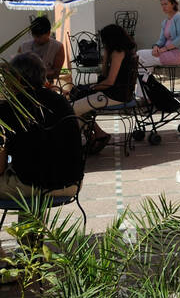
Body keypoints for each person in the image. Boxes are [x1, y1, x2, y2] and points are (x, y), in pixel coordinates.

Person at [0, 53, 83, 198]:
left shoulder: (10, 108)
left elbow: (0, 165)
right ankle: (30, 221)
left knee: (23, 177)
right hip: (71, 183)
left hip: (33, 185)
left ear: (17, 79)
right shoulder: (61, 101)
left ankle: (30, 220)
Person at [67, 24, 138, 154]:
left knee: (71, 109)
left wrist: (93, 87)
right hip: (116, 93)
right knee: (79, 103)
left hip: (114, 95)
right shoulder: (122, 51)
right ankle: (99, 135)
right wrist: (105, 58)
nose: (103, 43)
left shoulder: (118, 53)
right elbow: (104, 75)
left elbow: (109, 82)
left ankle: (90, 138)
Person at [137, 0, 180, 69]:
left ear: (173, 4)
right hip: (164, 52)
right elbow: (162, 39)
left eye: (166, 4)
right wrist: (156, 47)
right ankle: (145, 78)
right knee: (140, 56)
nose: (163, 7)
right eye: (162, 5)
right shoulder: (165, 21)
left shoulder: (179, 17)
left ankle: (145, 78)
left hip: (177, 53)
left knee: (140, 56)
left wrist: (165, 49)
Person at [18, 16, 65, 86]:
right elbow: (17, 68)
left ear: (48, 33)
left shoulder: (57, 47)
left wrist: (36, 75)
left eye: (40, 37)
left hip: (46, 85)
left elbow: (56, 73)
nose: (37, 39)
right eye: (35, 36)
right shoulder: (24, 46)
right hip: (25, 86)